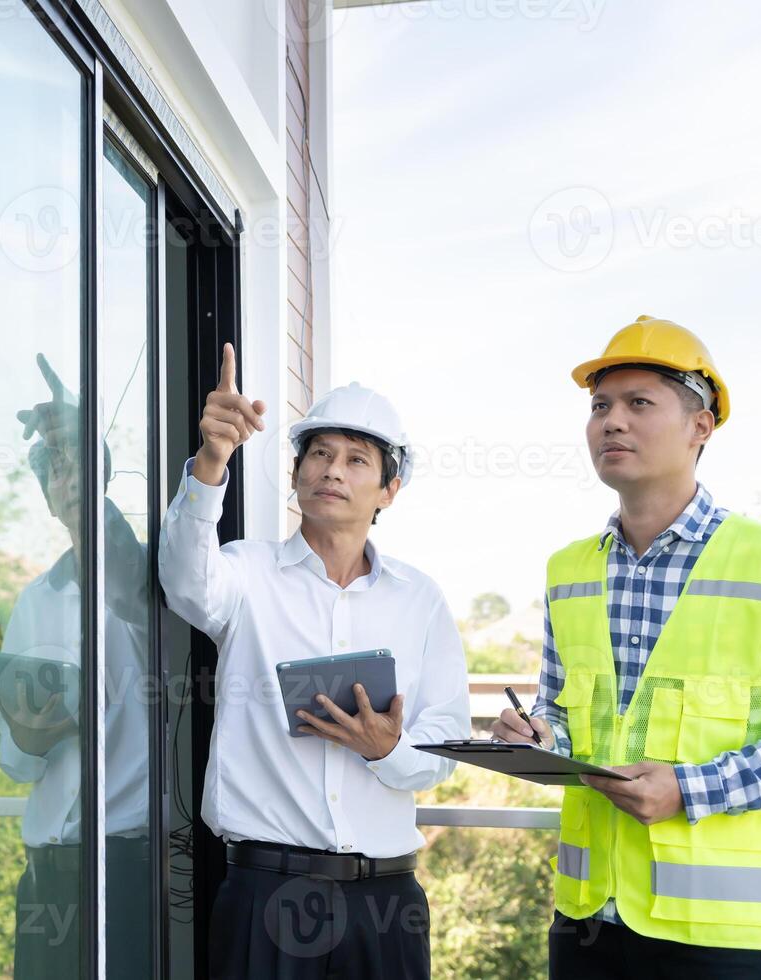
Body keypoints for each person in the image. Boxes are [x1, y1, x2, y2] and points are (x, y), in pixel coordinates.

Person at [493, 315, 761, 979]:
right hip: (588, 926)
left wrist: (693, 789)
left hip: (728, 943)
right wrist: (536, 735)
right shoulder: (569, 571)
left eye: (638, 403)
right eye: (600, 406)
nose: (611, 421)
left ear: (701, 426)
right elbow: (567, 718)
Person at [159, 343, 470, 980]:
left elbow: (445, 745)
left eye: (358, 460)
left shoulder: (420, 601)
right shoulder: (246, 573)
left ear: (389, 489)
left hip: (386, 904)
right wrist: (210, 464)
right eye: (320, 455)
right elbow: (184, 580)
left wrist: (387, 749)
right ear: (297, 472)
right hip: (265, 896)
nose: (333, 470)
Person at [0, 355, 153, 979]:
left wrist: (84, 443)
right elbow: (14, 758)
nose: (65, 479)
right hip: (45, 874)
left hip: (124, 871)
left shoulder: (140, 579)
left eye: (76, 465)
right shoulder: (34, 599)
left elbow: (117, 572)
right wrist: (30, 739)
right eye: (54, 468)